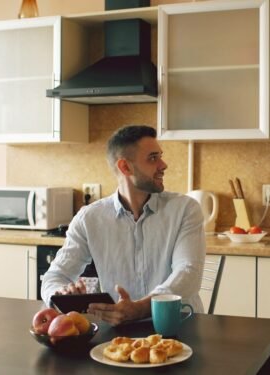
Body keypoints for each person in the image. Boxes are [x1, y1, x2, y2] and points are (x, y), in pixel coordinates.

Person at [41, 125, 206, 326]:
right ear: (125, 167)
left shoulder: (185, 209)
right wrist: (60, 295)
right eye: (153, 158)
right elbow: (55, 276)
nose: (163, 165)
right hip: (119, 338)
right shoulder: (89, 218)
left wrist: (142, 307)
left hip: (181, 326)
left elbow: (188, 272)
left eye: (160, 156)